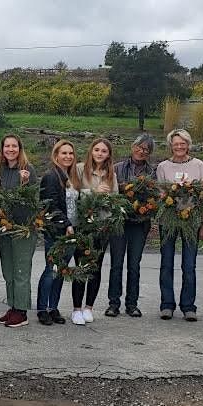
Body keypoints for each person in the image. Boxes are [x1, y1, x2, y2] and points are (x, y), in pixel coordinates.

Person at [155, 128, 203, 321]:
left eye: (182, 143)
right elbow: (160, 194)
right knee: (166, 263)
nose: (179, 146)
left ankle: (188, 306)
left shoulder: (198, 164)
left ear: (188, 145)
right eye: (176, 143)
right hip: (169, 219)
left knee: (189, 264)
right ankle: (167, 304)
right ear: (171, 145)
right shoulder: (163, 166)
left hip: (191, 219)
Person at [70, 137, 119, 325]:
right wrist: (94, 192)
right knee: (81, 266)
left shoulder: (111, 175)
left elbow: (115, 200)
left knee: (95, 266)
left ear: (108, 155)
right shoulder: (80, 169)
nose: (100, 153)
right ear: (91, 151)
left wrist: (108, 200)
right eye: (97, 150)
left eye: (104, 151)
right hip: (83, 225)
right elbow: (73, 194)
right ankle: (76, 309)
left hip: (102, 225)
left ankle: (88, 307)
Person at [106, 134, 156, 318]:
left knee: (134, 265)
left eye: (146, 149)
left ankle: (132, 304)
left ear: (149, 153)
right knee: (116, 264)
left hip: (139, 223)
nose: (141, 151)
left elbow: (154, 197)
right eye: (139, 147)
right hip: (119, 221)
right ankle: (113, 303)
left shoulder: (152, 172)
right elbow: (110, 194)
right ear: (132, 147)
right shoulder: (117, 168)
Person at [0, 134, 37, 328]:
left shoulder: (28, 170)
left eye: (14, 146)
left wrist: (25, 183)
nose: (10, 149)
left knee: (21, 269)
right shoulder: (2, 171)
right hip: (6, 227)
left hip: (23, 228)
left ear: (20, 149)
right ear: (2, 149)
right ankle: (12, 306)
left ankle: (21, 311)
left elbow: (35, 200)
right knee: (8, 269)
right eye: (7, 146)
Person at [35, 140, 79, 326]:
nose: (68, 156)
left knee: (61, 270)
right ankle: (42, 308)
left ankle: (53, 307)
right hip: (57, 231)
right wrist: (66, 224)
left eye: (70, 153)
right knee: (51, 269)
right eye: (64, 153)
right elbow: (50, 205)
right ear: (56, 155)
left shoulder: (72, 177)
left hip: (72, 231)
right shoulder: (51, 177)